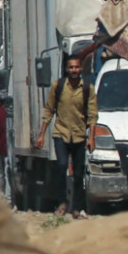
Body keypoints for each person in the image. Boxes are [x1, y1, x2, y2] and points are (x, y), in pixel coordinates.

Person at [32, 55, 98, 217]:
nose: (74, 70)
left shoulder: (87, 88)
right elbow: (49, 110)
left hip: (79, 135)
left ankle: (77, 207)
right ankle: (62, 202)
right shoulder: (58, 86)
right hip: (61, 133)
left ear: (81, 69)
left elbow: (92, 115)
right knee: (61, 166)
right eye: (71, 67)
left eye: (76, 67)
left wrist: (92, 137)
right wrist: (41, 135)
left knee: (78, 173)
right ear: (67, 69)